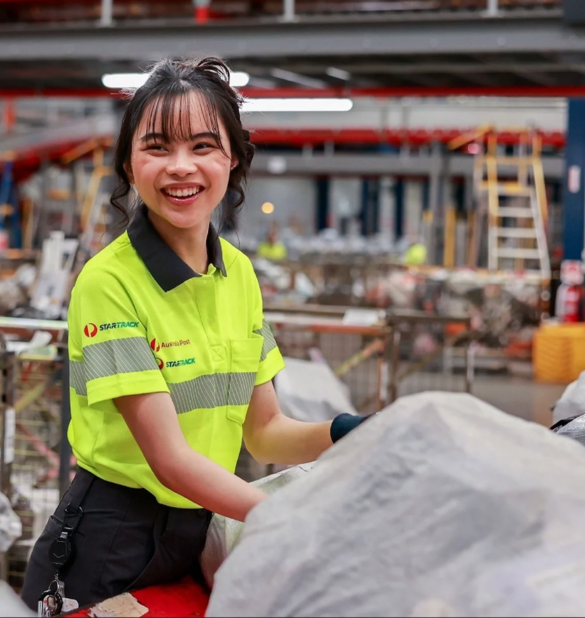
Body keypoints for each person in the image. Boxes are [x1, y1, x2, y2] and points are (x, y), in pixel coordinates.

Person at [20, 57, 366, 613]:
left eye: (203, 146)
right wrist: (284, 517)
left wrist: (352, 430)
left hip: (201, 532)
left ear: (233, 160)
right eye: (157, 147)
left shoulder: (239, 275)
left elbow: (265, 433)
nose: (181, 167)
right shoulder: (109, 282)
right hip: (108, 546)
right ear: (130, 165)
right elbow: (170, 460)